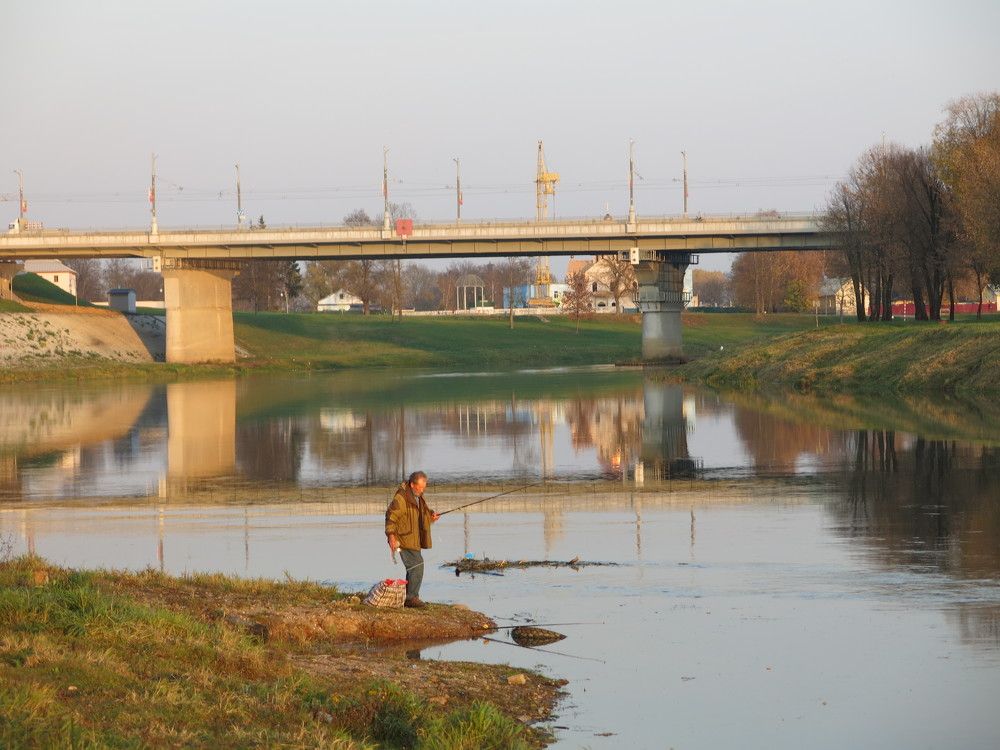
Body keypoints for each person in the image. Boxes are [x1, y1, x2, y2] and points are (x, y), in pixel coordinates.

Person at [385, 470, 440, 608]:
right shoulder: (401, 497)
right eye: (420, 487)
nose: (422, 490)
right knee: (417, 565)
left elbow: (422, 514)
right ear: (412, 484)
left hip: (413, 539)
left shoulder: (418, 496)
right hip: (403, 539)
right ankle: (411, 598)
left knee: (414, 566)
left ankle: (409, 597)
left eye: (424, 488)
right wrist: (391, 536)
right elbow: (391, 516)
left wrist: (431, 516)